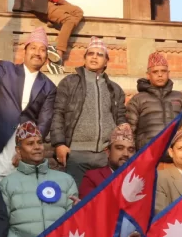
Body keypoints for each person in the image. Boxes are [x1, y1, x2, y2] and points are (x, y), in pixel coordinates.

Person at [0, 27, 56, 180]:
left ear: (46, 56)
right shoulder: (6, 69)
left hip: (21, 147)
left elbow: (44, 122)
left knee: (16, 186)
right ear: (25, 51)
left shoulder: (48, 87)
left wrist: (29, 149)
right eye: (33, 48)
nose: (37, 53)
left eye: (42, 50)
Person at [49, 36, 127, 186]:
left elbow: (121, 120)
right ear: (84, 58)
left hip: (105, 156)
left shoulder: (115, 89)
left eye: (99, 54)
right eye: (91, 53)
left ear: (106, 61)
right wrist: (59, 144)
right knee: (76, 197)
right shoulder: (70, 82)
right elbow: (58, 113)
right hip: (75, 154)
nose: (94, 57)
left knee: (104, 197)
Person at [125, 51, 182, 152]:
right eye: (155, 72)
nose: (160, 75)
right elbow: (129, 132)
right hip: (148, 155)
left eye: (163, 71)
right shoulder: (138, 99)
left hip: (176, 156)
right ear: (148, 75)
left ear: (168, 73)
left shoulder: (180, 98)